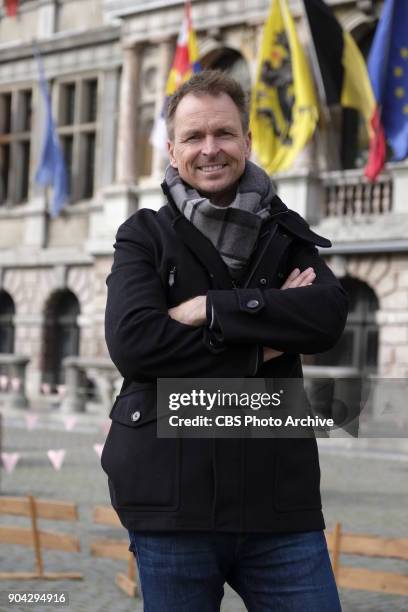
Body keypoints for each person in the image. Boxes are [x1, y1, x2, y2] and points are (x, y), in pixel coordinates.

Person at [102, 70, 348, 611]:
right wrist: (262, 344)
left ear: (246, 142)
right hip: (171, 501)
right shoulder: (143, 234)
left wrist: (206, 309)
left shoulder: (286, 230)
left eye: (224, 134)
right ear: (172, 150)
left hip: (279, 503)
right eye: (193, 137)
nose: (210, 149)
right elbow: (136, 345)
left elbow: (326, 319)